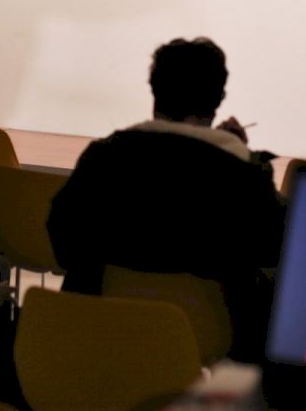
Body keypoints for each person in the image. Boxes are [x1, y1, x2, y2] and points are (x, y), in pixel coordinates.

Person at [47, 36, 286, 362]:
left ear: (154, 90)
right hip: (214, 339)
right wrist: (241, 153)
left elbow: (63, 239)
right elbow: (272, 248)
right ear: (219, 98)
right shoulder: (245, 174)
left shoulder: (103, 157)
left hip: (101, 329)